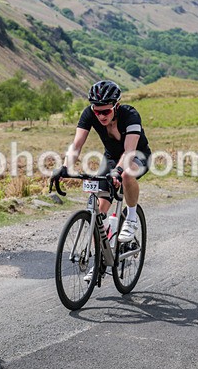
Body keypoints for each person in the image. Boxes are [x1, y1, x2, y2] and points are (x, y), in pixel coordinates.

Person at [53, 80, 151, 279]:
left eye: (105, 111)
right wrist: (64, 167)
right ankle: (100, 260)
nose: (101, 116)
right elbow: (77, 144)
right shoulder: (89, 114)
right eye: (97, 111)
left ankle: (131, 218)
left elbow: (129, 151)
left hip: (136, 156)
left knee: (125, 174)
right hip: (110, 158)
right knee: (98, 212)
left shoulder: (130, 115)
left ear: (116, 105)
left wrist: (117, 170)